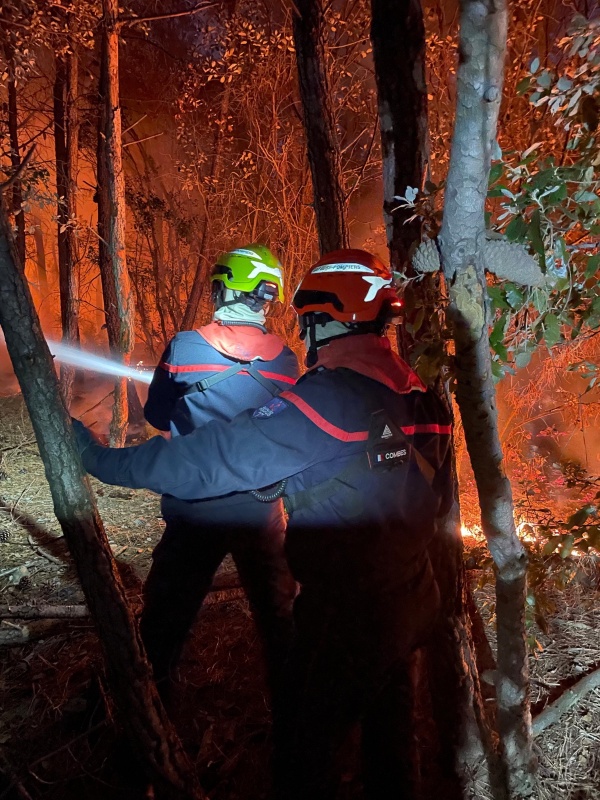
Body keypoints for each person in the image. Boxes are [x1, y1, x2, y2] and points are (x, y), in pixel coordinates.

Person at [73, 249, 453, 800]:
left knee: (304, 753)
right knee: (392, 743)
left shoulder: (331, 395)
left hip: (343, 615)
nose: (304, 332)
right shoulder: (422, 395)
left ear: (329, 317)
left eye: (309, 320)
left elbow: (212, 458)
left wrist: (100, 460)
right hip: (414, 598)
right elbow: (430, 499)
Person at [138, 244, 298, 698]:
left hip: (195, 508)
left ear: (223, 288)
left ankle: (152, 710)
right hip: (260, 509)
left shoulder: (185, 347)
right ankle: (294, 714)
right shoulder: (286, 361)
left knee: (165, 618)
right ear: (267, 297)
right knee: (280, 618)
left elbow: (156, 415)